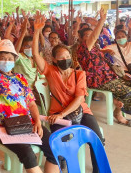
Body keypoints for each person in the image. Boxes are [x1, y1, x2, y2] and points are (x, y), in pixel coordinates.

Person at [0, 18, 59, 173]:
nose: (6, 61)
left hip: (27, 123)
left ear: (15, 61)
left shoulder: (20, 79)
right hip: (3, 126)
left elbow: (32, 103)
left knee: (54, 147)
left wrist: (38, 122)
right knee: (28, 154)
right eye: (2, 58)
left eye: (9, 58)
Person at [32, 12, 104, 173]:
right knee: (59, 141)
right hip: (57, 114)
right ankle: (62, 164)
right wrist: (37, 31)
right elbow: (36, 54)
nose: (65, 59)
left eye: (67, 56)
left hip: (80, 112)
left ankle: (98, 170)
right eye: (61, 57)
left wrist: (62, 114)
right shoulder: (50, 71)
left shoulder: (79, 74)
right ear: (55, 60)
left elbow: (79, 99)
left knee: (97, 139)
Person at [77, 8, 131, 126]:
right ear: (82, 38)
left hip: (108, 76)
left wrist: (105, 52)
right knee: (128, 92)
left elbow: (97, 57)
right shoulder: (84, 47)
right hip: (97, 79)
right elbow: (93, 37)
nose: (90, 37)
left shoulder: (94, 47)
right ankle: (118, 114)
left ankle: (116, 102)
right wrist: (101, 21)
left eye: (90, 35)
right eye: (87, 35)